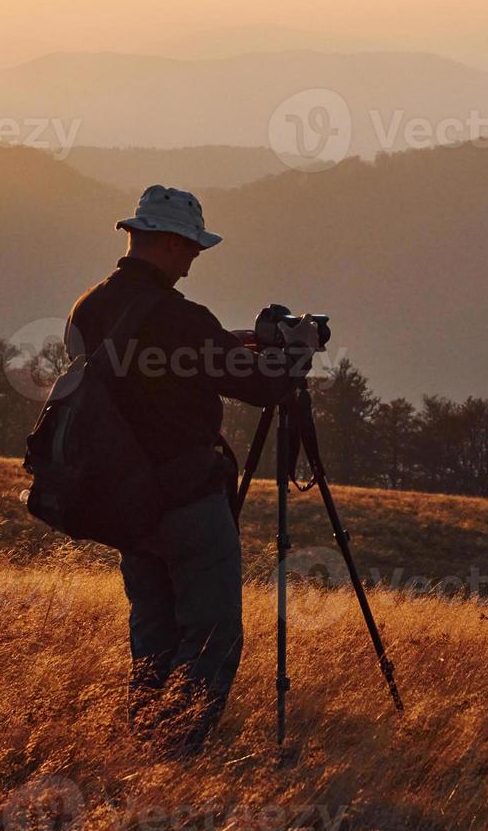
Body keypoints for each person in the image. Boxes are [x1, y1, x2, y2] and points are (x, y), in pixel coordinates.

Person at [66, 185, 319, 755]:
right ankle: (178, 752)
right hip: (187, 502)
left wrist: (228, 342)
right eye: (192, 249)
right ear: (170, 244)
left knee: (153, 635)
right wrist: (296, 350)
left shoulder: (90, 308)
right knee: (211, 636)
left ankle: (146, 748)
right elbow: (266, 387)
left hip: (125, 502)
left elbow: (149, 361)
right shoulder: (183, 319)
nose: (194, 260)